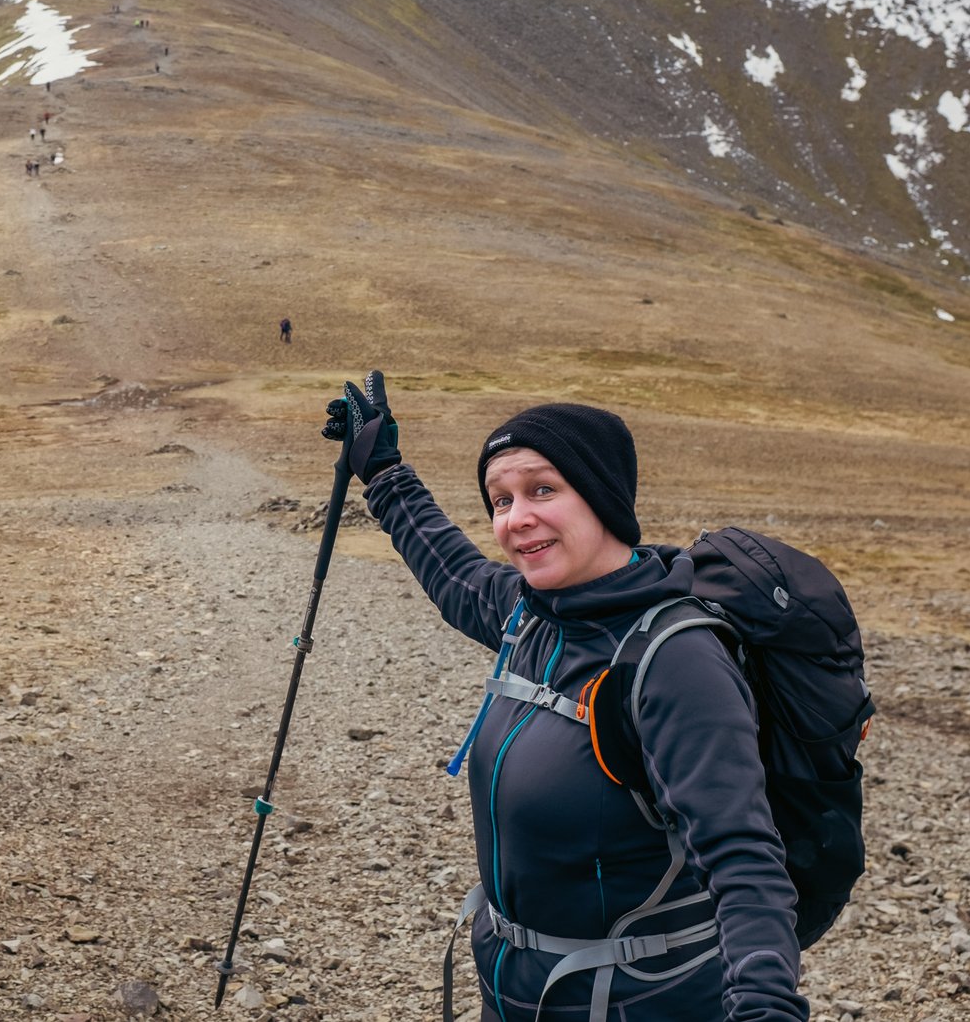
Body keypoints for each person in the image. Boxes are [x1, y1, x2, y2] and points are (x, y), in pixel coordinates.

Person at [322, 373, 807, 1022]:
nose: (516, 518)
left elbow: (743, 858)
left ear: (601, 495)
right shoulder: (532, 617)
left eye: (542, 489)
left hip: (636, 1002)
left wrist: (766, 1005)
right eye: (500, 499)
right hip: (520, 991)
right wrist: (382, 472)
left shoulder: (675, 660)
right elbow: (453, 570)